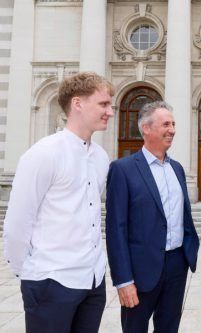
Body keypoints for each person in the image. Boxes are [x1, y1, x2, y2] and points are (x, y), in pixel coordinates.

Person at [3, 72, 115, 332]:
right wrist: (32, 274)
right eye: (103, 104)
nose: (110, 111)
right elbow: (18, 223)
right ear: (78, 104)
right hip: (50, 282)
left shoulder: (100, 157)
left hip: (92, 282)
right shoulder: (42, 154)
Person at [106, 101, 199, 333]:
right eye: (166, 124)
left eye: (174, 124)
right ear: (146, 128)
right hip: (140, 270)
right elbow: (116, 229)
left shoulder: (177, 168)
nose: (173, 130)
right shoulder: (123, 169)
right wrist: (123, 280)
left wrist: (189, 251)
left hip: (177, 265)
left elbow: (183, 216)